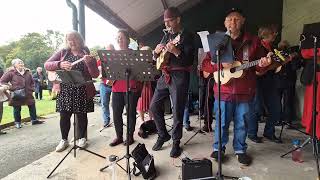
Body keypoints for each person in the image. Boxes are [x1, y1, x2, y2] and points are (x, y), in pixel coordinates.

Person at [201, 8, 272, 165]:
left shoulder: (252, 41)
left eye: (237, 19)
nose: (233, 22)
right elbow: (205, 64)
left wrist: (264, 64)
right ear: (225, 23)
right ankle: (219, 148)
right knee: (221, 123)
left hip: (245, 92)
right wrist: (219, 65)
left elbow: (259, 68)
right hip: (223, 91)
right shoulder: (217, 41)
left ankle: (240, 150)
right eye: (230, 19)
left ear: (243, 21)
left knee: (242, 123)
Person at [150, 7, 195, 158]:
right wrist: (156, 52)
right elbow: (157, 58)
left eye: (169, 21)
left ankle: (176, 142)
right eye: (165, 21)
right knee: (154, 106)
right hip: (165, 74)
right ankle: (163, 134)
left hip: (180, 75)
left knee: (177, 110)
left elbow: (189, 60)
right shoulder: (166, 35)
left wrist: (176, 51)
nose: (167, 24)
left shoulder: (187, 36)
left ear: (178, 19)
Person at [45, 31, 99, 152]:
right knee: (64, 115)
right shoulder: (63, 52)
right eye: (69, 39)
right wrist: (59, 64)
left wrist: (90, 63)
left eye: (74, 39)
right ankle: (64, 139)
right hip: (65, 90)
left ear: (80, 40)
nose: (72, 41)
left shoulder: (86, 53)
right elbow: (47, 65)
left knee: (81, 115)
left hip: (82, 89)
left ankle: (82, 138)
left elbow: (95, 74)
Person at [247, 25, 283, 144]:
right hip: (257, 81)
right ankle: (252, 133)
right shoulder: (256, 46)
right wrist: (268, 66)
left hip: (270, 80)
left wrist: (282, 62)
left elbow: (273, 65)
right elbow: (256, 69)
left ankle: (269, 132)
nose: (275, 35)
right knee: (256, 108)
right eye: (274, 33)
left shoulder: (272, 47)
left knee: (275, 107)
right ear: (268, 34)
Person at [109, 29, 141, 147]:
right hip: (116, 88)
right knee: (116, 113)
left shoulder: (134, 54)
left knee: (131, 113)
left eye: (121, 37)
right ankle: (119, 136)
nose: (119, 39)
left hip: (131, 88)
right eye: (117, 37)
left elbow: (139, 72)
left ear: (127, 39)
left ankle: (130, 136)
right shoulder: (113, 55)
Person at [0, 59, 44, 129]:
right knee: (17, 108)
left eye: (22, 62)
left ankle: (34, 120)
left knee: (32, 105)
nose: (21, 64)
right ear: (14, 65)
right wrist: (11, 88)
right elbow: (2, 81)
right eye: (19, 63)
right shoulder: (10, 72)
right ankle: (18, 123)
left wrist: (31, 89)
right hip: (16, 93)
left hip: (28, 92)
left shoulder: (27, 72)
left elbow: (32, 82)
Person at [97, 44, 115, 128]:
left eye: (111, 50)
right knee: (104, 103)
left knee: (116, 104)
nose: (109, 52)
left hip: (114, 84)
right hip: (103, 85)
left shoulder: (116, 60)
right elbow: (97, 73)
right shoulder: (100, 60)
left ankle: (117, 120)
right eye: (107, 50)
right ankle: (106, 121)